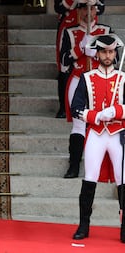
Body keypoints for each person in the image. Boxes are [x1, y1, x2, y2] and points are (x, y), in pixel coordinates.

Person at [70, 34, 125, 242]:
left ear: (115, 53)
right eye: (104, 51)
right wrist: (96, 115)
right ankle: (84, 225)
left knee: (123, 180)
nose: (108, 55)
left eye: (111, 52)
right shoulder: (87, 78)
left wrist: (117, 111)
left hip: (118, 134)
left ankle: (124, 227)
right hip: (96, 133)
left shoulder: (123, 78)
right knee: (89, 178)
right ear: (98, 54)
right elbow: (76, 108)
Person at [60, 0, 113, 178]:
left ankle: (103, 167)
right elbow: (64, 62)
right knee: (79, 125)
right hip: (78, 80)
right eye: (83, 8)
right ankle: (73, 165)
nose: (87, 12)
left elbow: (115, 57)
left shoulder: (105, 31)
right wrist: (80, 48)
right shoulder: (70, 32)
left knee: (104, 123)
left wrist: (97, 51)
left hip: (101, 81)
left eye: (90, 8)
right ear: (78, 11)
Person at [54, 0, 105, 118]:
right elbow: (59, 7)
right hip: (70, 23)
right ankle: (64, 106)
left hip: (90, 24)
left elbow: (101, 8)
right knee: (64, 68)